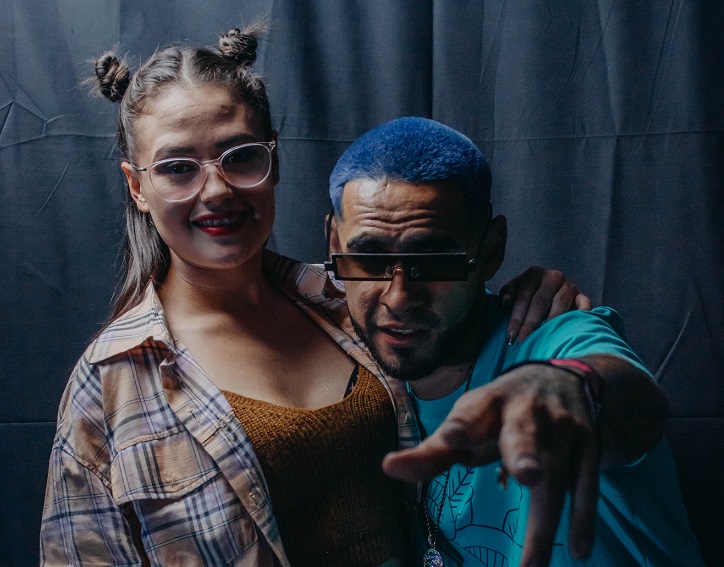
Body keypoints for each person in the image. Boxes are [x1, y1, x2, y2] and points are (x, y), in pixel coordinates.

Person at [39, 28, 587, 567]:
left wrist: (534, 299)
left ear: (273, 159)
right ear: (137, 186)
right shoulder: (112, 379)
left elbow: (458, 319)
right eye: (177, 168)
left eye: (240, 156)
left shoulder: (349, 300)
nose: (217, 190)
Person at [324, 116, 704, 566]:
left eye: (437, 259)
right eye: (369, 259)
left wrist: (577, 388)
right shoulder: (346, 358)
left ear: (490, 251)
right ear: (334, 244)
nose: (398, 297)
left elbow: (631, 400)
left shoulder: (554, 336)